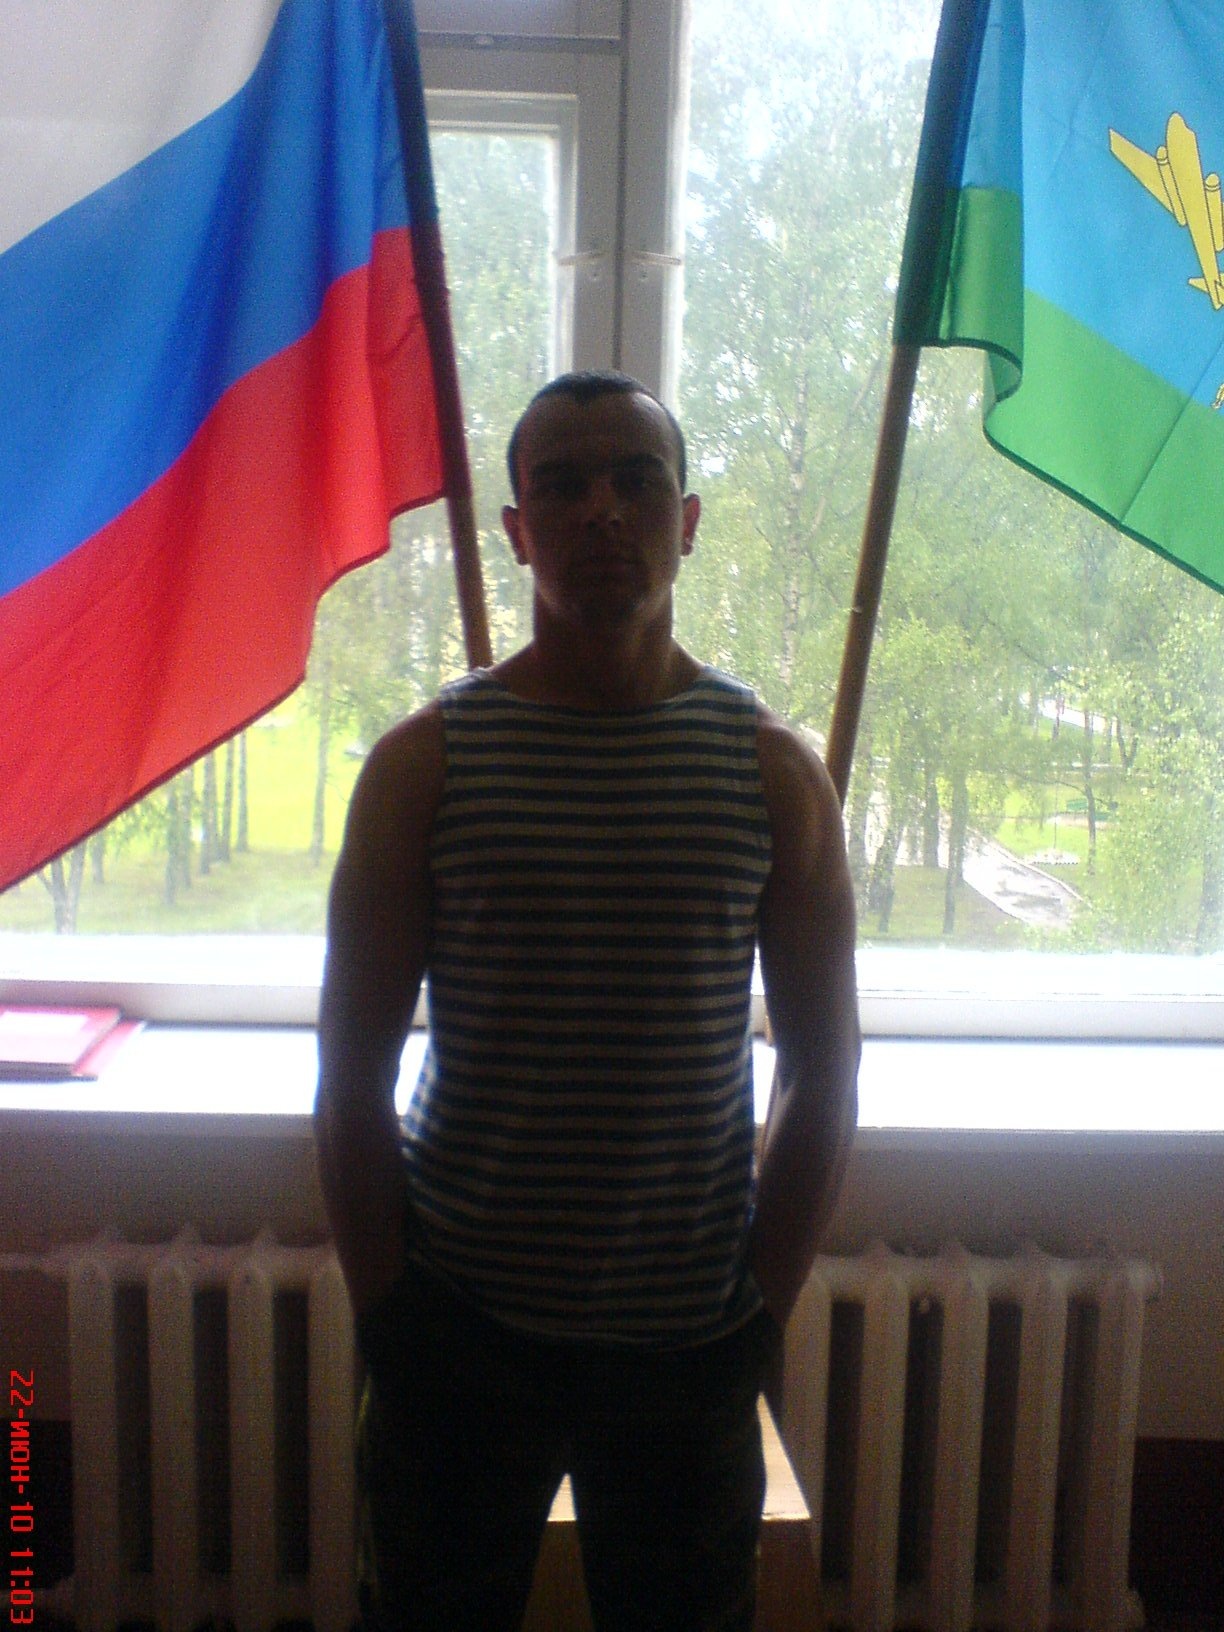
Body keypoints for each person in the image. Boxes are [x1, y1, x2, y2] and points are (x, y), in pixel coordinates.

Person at [314, 371, 860, 1632]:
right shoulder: (423, 769)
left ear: (688, 520)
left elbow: (822, 1074)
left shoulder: (775, 775)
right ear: (517, 530)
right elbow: (350, 1075)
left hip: (688, 1351)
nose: (601, 508)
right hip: (459, 1336)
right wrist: (391, 1310)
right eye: (561, 486)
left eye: (636, 480)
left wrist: (757, 1315)